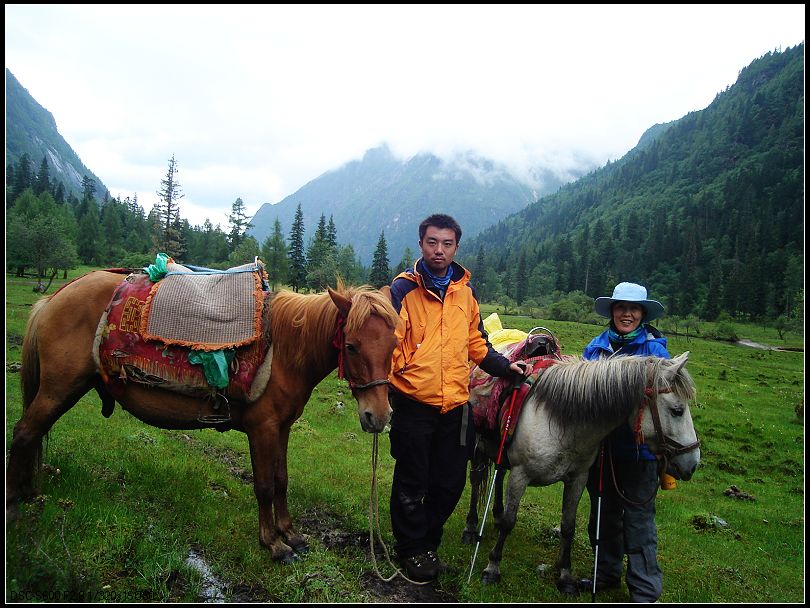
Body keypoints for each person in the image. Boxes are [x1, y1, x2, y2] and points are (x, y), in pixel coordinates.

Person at [386, 213, 529, 583]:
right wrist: (400, 375)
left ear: (456, 247)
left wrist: (504, 368)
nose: (439, 250)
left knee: (450, 483)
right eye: (432, 242)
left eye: (447, 244)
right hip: (414, 402)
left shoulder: (465, 291)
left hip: (455, 405)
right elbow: (389, 343)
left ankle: (426, 543)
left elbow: (476, 342)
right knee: (412, 482)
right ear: (421, 244)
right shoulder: (402, 290)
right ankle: (412, 550)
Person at [579, 281, 670, 602]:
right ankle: (605, 573)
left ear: (642, 314)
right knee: (602, 516)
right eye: (621, 308)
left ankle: (644, 590)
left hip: (642, 453)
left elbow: (663, 400)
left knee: (639, 522)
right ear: (613, 312)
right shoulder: (596, 348)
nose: (627, 314)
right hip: (602, 449)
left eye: (633, 309)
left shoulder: (655, 352)